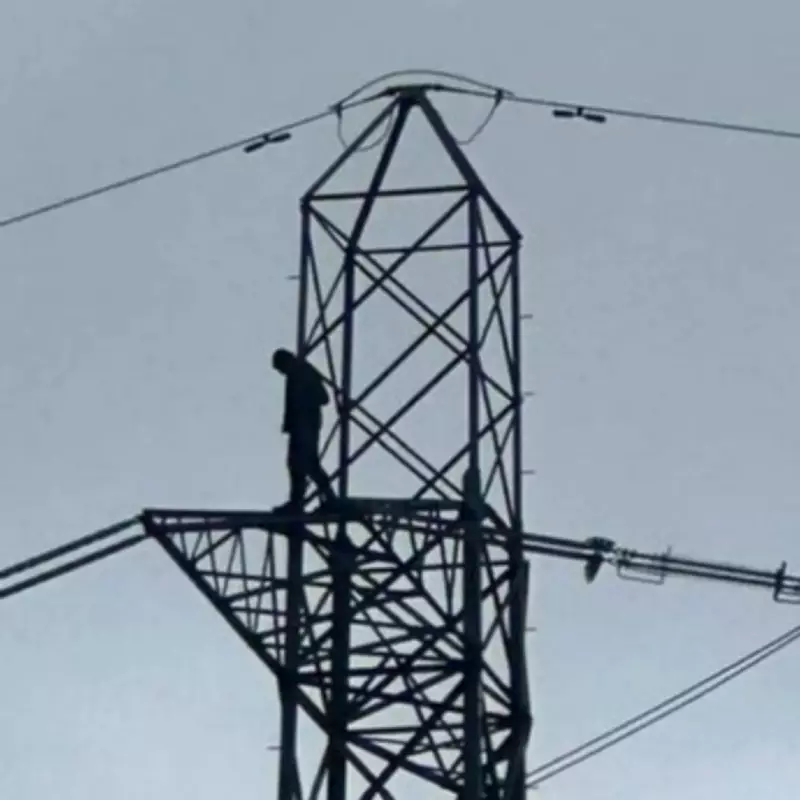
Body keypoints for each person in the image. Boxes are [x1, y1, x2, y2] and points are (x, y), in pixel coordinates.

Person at [271, 348, 337, 513]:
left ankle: (328, 499)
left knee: (308, 464)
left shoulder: (302, 371)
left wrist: (303, 407)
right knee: (297, 464)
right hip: (300, 426)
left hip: (306, 426)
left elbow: (323, 398)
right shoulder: (297, 373)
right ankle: (298, 502)